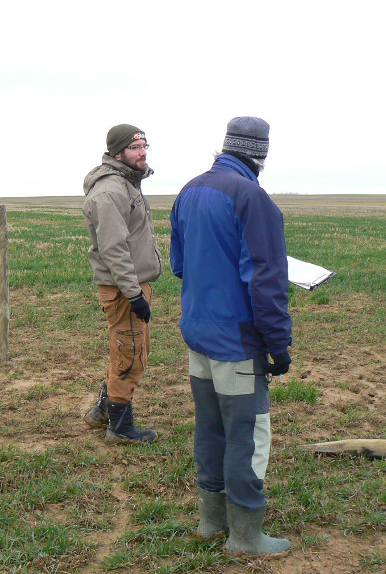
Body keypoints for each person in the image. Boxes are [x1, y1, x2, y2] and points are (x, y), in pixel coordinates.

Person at [169, 117, 292, 557]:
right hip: (237, 343)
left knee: (211, 428)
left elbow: (181, 264)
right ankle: (245, 537)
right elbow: (266, 283)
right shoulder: (252, 198)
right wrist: (278, 344)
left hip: (198, 333)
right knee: (247, 434)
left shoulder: (189, 191)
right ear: (261, 153)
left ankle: (210, 520)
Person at [82, 123, 163, 443]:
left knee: (130, 351)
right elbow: (114, 249)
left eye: (145, 146)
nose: (142, 152)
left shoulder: (125, 184)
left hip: (131, 286)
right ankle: (120, 427)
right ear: (118, 152)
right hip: (123, 289)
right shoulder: (112, 191)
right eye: (135, 147)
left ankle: (103, 410)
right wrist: (133, 294)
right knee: (130, 356)